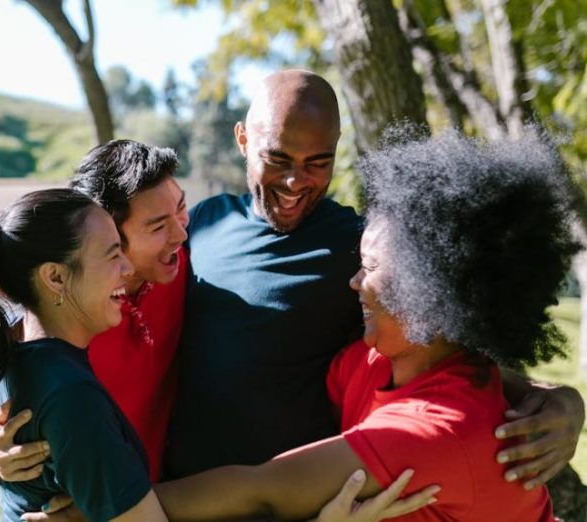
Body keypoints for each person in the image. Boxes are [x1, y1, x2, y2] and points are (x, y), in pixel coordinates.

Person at [164, 70, 585, 488]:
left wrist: (564, 402)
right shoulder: (202, 222)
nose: (295, 181)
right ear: (243, 139)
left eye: (318, 162)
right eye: (278, 159)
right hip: (171, 496)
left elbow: (455, 363)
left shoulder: (365, 251)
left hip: (289, 502)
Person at [0, 188, 436, 521]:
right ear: (54, 277)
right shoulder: (71, 396)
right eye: (112, 255)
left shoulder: (10, 351)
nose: (125, 269)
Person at [0, 140, 189, 484]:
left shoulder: (181, 263)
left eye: (181, 208)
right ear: (106, 231)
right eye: (158, 227)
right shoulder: (46, 326)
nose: (181, 232)